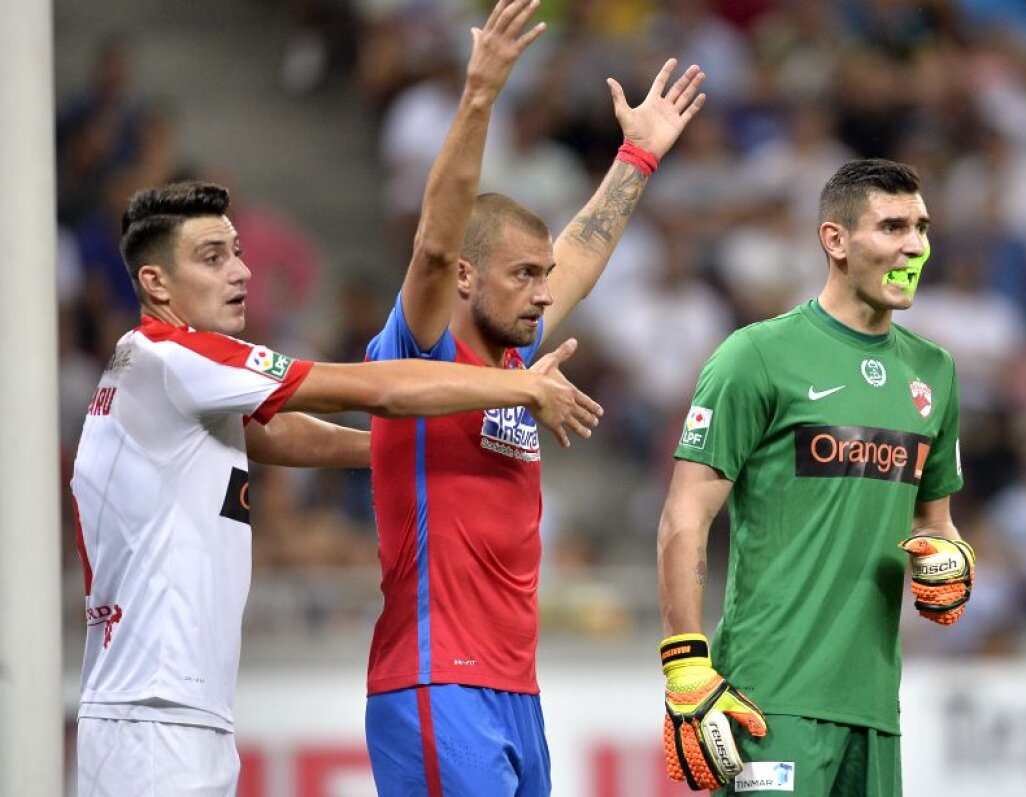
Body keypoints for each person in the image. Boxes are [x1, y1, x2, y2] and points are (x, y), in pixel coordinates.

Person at [70, 179, 601, 797]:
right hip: (153, 711)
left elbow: (279, 436)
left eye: (238, 251)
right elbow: (375, 388)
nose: (242, 271)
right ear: (156, 283)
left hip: (171, 704)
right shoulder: (175, 359)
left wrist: (408, 454)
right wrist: (522, 389)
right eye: (213, 257)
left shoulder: (162, 375)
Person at [360, 1, 706, 794]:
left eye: (544, 278)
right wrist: (481, 93)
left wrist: (639, 157)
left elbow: (582, 246)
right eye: (525, 274)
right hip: (435, 680)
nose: (544, 293)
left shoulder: (519, 351)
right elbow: (436, 239)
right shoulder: (417, 345)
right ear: (466, 279)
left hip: (515, 689)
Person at [656, 159, 975, 796]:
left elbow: (935, 523)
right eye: (891, 227)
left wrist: (953, 563)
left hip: (876, 707)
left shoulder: (934, 372)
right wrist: (685, 662)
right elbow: (684, 515)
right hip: (769, 697)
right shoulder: (757, 356)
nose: (914, 244)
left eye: (920, 227)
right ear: (835, 241)